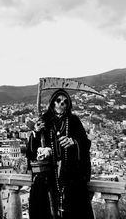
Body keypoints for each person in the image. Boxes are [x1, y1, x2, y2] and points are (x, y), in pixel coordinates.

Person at [26, 89, 94, 219]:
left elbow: (85, 143)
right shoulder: (44, 121)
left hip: (71, 175)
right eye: (58, 101)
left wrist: (73, 142)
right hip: (48, 175)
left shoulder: (74, 121)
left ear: (68, 105)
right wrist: (36, 132)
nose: (61, 104)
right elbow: (32, 150)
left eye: (65, 102)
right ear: (52, 103)